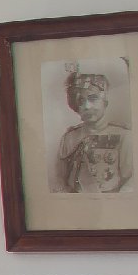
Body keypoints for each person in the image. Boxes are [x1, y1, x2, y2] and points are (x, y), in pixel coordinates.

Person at [51, 62, 130, 195]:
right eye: (81, 101)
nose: (87, 106)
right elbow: (59, 179)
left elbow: (131, 180)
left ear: (105, 102)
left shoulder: (124, 136)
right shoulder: (69, 138)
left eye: (93, 98)